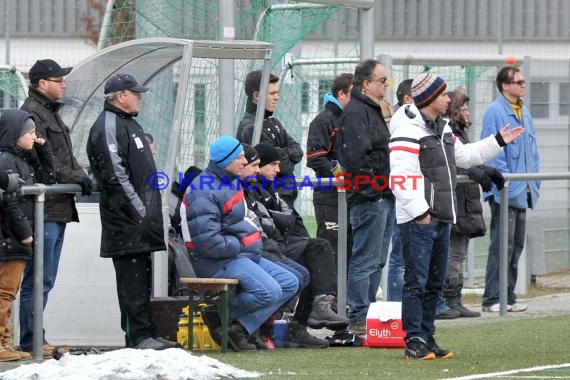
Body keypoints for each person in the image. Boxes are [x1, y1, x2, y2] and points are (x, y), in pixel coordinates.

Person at [389, 73, 524, 360]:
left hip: (442, 217)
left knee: (434, 282)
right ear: (429, 99)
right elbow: (400, 178)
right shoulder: (407, 131)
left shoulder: (444, 128)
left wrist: (498, 140)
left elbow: (465, 157)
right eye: (443, 95)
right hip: (420, 220)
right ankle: (413, 340)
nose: (448, 99)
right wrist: (420, 212)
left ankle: (427, 336)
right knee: (417, 281)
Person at [86, 73, 179, 350]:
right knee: (131, 283)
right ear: (120, 96)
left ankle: (145, 333)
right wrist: (140, 211)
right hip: (126, 223)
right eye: (135, 93)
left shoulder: (129, 123)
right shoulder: (108, 125)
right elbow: (116, 176)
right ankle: (137, 337)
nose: (140, 97)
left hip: (141, 223)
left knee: (143, 282)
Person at [183, 136, 299, 352]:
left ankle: (238, 328)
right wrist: (242, 243)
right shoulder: (204, 189)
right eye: (240, 158)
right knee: (270, 291)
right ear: (225, 160)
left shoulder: (230, 181)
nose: (244, 162)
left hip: (241, 254)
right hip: (216, 261)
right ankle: (217, 314)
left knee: (290, 282)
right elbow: (208, 243)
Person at [18, 58, 92, 358]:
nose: (64, 84)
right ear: (41, 83)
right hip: (44, 209)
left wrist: (78, 176)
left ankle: (35, 337)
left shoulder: (47, 112)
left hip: (55, 208)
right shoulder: (31, 114)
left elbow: (62, 159)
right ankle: (31, 340)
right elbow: (51, 164)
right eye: (58, 79)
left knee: (44, 278)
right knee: (39, 279)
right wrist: (79, 177)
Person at [247, 143, 349, 347]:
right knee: (316, 252)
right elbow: (268, 225)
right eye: (272, 164)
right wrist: (281, 223)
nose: (277, 169)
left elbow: (291, 219)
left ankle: (304, 321)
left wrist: (286, 227)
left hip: (278, 244)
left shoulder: (271, 187)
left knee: (317, 251)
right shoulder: (249, 187)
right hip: (265, 248)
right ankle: (276, 325)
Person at [338, 59, 394, 334]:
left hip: (383, 196)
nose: (386, 85)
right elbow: (356, 156)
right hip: (370, 199)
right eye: (382, 81)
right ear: (365, 84)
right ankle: (359, 314)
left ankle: (369, 312)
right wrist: (372, 191)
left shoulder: (372, 110)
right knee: (365, 259)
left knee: (377, 259)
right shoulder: (356, 112)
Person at [480, 66, 540, 313]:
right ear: (505, 85)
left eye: (524, 81)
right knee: (501, 245)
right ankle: (493, 298)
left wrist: (532, 183)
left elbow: (533, 152)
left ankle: (509, 296)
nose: (523, 85)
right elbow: (493, 153)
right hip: (506, 192)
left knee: (516, 246)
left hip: (523, 191)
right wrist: (508, 185)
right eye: (518, 82)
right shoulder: (495, 112)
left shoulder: (524, 112)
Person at [443, 92, 504, 318]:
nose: (468, 113)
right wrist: (475, 172)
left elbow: (468, 159)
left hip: (465, 202)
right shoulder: (449, 133)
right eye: (464, 108)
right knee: (454, 254)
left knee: (459, 253)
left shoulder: (460, 133)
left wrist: (484, 170)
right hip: (456, 201)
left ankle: (454, 298)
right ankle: (448, 298)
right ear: (454, 111)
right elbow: (454, 164)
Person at [0, 109, 53, 361]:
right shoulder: (6, 161)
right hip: (9, 239)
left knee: (9, 290)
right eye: (30, 132)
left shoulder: (23, 159)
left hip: (14, 238)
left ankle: (4, 341)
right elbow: (8, 201)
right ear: (15, 134)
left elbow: (48, 177)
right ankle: (0, 343)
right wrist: (24, 234)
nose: (34, 136)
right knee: (5, 291)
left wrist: (42, 150)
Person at [236, 70, 303, 207]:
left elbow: (298, 151)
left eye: (277, 93)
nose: (277, 97)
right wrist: (285, 159)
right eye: (272, 93)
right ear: (256, 96)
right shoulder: (250, 127)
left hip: (283, 198)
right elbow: (282, 165)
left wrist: (285, 156)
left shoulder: (274, 123)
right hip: (268, 200)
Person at [306, 73, 353, 260]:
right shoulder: (323, 120)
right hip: (329, 197)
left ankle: (347, 290)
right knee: (330, 248)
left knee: (350, 249)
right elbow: (315, 158)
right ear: (341, 94)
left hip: (351, 195)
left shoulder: (352, 119)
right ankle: (327, 290)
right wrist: (340, 175)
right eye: (354, 95)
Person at [386, 79, 413, 302]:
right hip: (402, 199)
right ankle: (395, 306)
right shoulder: (401, 124)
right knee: (399, 256)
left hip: (415, 197)